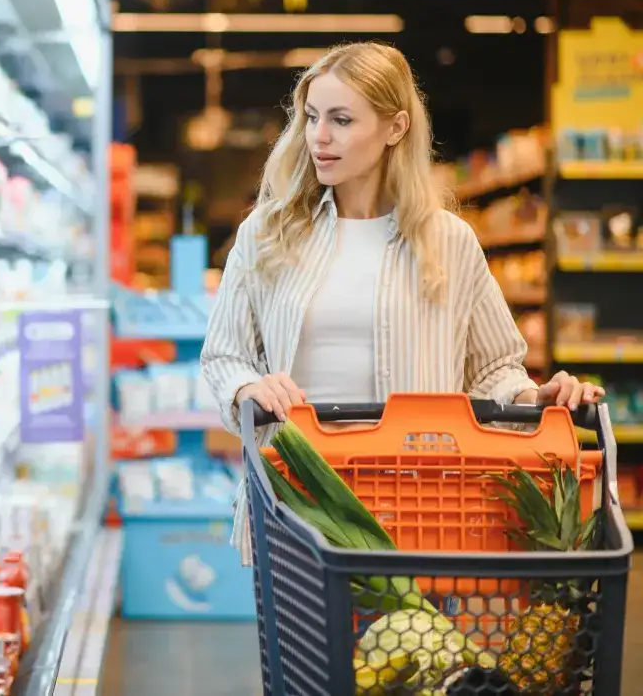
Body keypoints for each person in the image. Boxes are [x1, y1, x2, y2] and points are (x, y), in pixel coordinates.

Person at [198, 41, 603, 564]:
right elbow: (223, 354)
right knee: (310, 646)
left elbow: (494, 370)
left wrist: (534, 400)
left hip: (423, 501)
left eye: (342, 119)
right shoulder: (269, 233)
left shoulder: (448, 242)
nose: (319, 136)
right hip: (299, 498)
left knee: (413, 646)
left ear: (396, 127)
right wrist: (250, 385)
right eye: (312, 117)